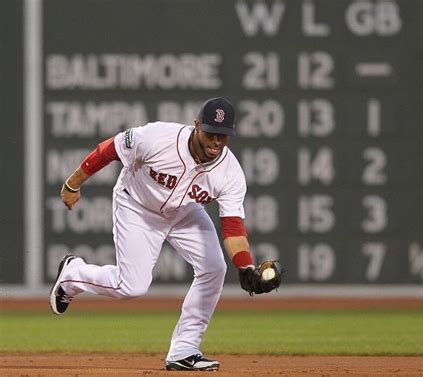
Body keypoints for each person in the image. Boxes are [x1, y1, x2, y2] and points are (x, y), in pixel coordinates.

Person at [49, 97, 274, 371]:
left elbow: (233, 226)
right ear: (196, 126)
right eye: (211, 133)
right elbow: (109, 149)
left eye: (224, 136)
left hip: (183, 213)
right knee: (131, 286)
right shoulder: (157, 137)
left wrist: (246, 266)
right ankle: (74, 274)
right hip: (137, 206)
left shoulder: (230, 172)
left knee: (214, 267)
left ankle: (184, 350)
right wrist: (73, 183)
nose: (216, 141)